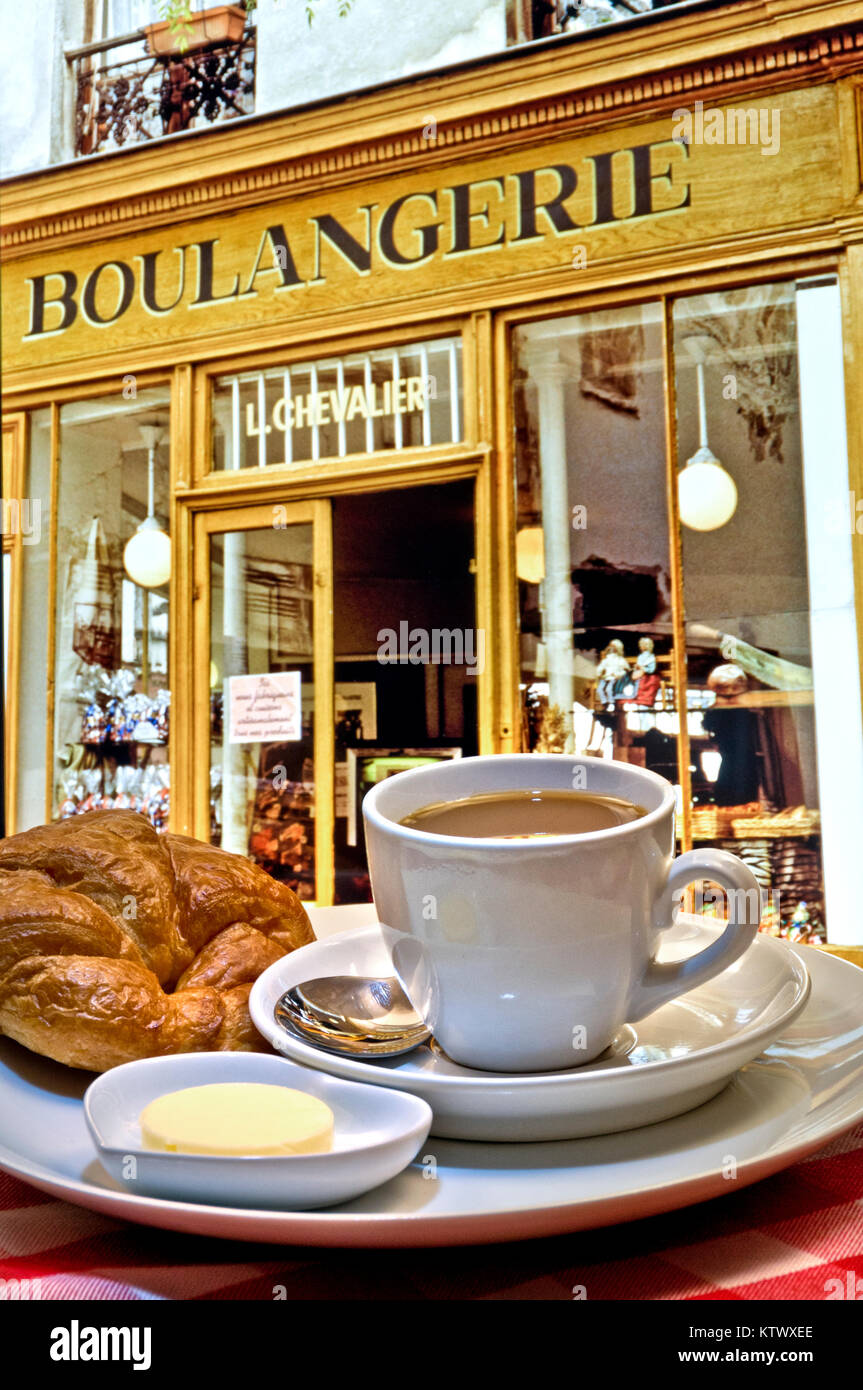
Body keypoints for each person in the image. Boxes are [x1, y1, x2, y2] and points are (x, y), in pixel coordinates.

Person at [596, 639, 630, 709]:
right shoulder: (606, 659)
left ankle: (612, 702)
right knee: (600, 689)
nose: (612, 648)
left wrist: (618, 674)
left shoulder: (620, 660)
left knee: (609, 689)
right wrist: (599, 674)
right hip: (606, 677)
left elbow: (626, 670)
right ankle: (604, 702)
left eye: (613, 646)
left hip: (614, 678)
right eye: (611, 646)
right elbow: (600, 667)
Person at [634, 635, 662, 707]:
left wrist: (644, 669)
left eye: (644, 645)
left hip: (649, 675)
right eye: (642, 645)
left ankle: (646, 701)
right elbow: (639, 666)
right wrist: (637, 667)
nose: (642, 647)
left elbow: (652, 669)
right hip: (641, 674)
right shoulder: (640, 656)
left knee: (649, 684)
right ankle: (639, 700)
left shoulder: (651, 657)